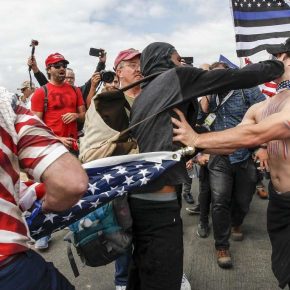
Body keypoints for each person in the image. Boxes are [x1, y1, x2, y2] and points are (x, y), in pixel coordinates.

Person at [127, 41, 284, 290]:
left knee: (142, 267)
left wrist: (204, 139)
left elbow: (176, 135)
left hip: (137, 199)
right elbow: (235, 77)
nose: (183, 64)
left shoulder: (144, 96)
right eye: (179, 60)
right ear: (167, 60)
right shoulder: (176, 77)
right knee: (163, 276)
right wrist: (277, 65)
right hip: (159, 204)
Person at [171, 40, 290, 289]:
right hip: (280, 203)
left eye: (283, 55)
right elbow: (233, 140)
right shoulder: (262, 106)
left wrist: (197, 139)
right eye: (278, 56)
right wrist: (193, 148)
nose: (279, 61)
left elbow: (256, 135)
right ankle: (222, 244)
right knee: (284, 268)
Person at [0, 86, 88, 290]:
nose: (62, 69)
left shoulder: (74, 91)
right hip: (8, 267)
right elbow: (70, 182)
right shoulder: (6, 103)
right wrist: (47, 205)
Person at [196, 61, 267, 269]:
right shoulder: (208, 96)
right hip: (218, 158)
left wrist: (262, 145)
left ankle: (237, 222)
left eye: (220, 77)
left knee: (243, 201)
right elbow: (199, 123)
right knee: (219, 201)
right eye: (212, 78)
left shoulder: (247, 90)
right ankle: (221, 245)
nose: (216, 82)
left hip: (244, 155)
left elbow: (265, 113)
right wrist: (205, 99)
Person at [31, 52, 86, 249]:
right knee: (47, 191)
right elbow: (35, 125)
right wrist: (57, 138)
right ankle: (42, 233)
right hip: (50, 149)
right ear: (49, 70)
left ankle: (73, 225)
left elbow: (83, 115)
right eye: (57, 65)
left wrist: (75, 115)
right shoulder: (41, 93)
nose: (61, 68)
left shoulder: (75, 91)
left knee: (73, 188)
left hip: (72, 148)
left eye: (63, 64)